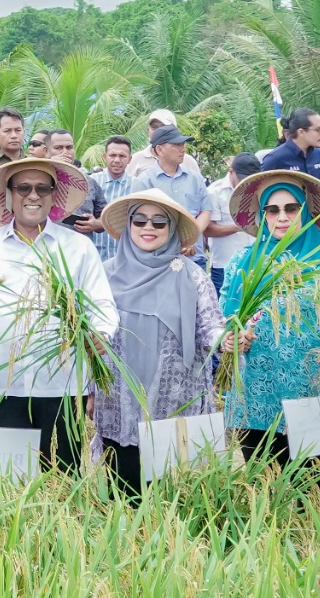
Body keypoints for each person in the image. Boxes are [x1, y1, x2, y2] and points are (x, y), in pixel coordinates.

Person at [0, 155, 117, 473]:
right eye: (23, 187)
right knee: (13, 476)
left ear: (54, 194)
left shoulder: (77, 247)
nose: (33, 195)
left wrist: (101, 333)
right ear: (9, 194)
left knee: (66, 474)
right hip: (4, 384)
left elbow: (103, 305)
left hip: (65, 384)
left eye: (43, 188)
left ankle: (69, 523)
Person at [88, 192, 222, 498]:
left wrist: (227, 340)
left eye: (160, 222)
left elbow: (209, 326)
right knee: (124, 490)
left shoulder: (191, 275)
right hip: (118, 401)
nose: (149, 227)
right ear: (129, 225)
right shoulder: (104, 275)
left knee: (170, 494)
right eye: (140, 220)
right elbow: (91, 338)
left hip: (172, 401)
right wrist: (89, 389)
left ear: (172, 228)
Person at [219, 170, 320, 468]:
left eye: (291, 208)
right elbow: (225, 315)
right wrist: (230, 336)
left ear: (305, 211)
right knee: (262, 478)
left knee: (309, 481)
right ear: (263, 216)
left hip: (309, 384)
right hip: (254, 388)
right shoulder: (242, 262)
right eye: (272, 210)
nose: (282, 217)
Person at [126, 126, 216, 257]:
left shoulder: (195, 179)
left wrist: (190, 238)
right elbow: (137, 221)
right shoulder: (144, 182)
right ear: (160, 150)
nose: (183, 149)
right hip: (158, 258)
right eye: (177, 145)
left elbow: (206, 211)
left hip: (194, 256)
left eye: (183, 144)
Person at [204, 153, 261, 291]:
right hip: (225, 265)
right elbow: (208, 229)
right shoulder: (214, 192)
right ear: (231, 172)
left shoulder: (261, 189)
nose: (246, 184)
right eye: (242, 179)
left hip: (256, 263)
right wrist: (240, 227)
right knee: (225, 310)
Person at [259, 108, 320, 181]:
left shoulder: (318, 154)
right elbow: (260, 188)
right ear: (301, 132)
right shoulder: (274, 158)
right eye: (319, 130)